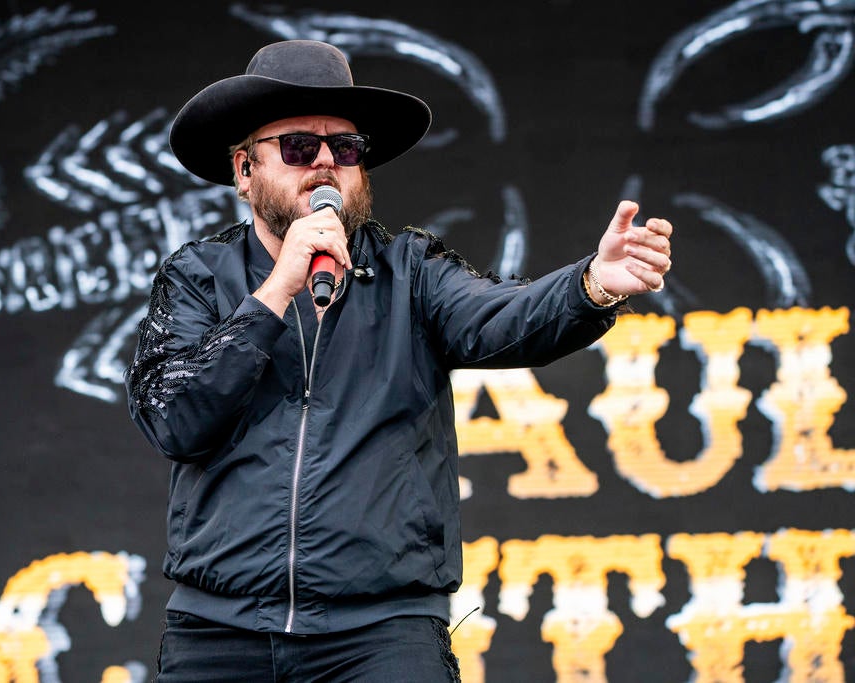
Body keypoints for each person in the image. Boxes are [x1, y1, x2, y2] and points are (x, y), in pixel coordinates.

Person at [125, 39, 672, 682]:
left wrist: (592, 284)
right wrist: (275, 293)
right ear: (245, 171)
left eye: (347, 148)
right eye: (300, 147)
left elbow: (505, 319)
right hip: (219, 629)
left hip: (380, 634)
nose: (327, 163)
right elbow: (174, 415)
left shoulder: (412, 271)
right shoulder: (197, 276)